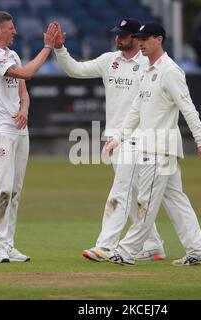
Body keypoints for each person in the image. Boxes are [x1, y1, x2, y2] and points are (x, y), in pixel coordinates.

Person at [51, 19, 167, 262]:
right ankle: (153, 244)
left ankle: (106, 245)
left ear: (136, 38)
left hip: (139, 137)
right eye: (117, 34)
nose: (118, 38)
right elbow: (76, 70)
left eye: (124, 35)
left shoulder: (150, 64)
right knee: (133, 194)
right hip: (115, 138)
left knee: (122, 190)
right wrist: (60, 49)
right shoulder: (109, 60)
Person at [102, 22, 201, 266]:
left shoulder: (170, 71)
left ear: (159, 39)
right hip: (152, 147)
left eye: (146, 39)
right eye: (139, 39)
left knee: (146, 202)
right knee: (176, 201)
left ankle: (126, 250)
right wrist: (118, 138)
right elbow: (135, 111)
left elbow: (188, 108)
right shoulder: (147, 70)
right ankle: (199, 249)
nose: (140, 43)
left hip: (159, 149)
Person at [0, 11, 57, 263]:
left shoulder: (12, 55)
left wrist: (23, 110)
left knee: (16, 192)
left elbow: (24, 92)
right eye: (10, 28)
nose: (15, 32)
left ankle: (9, 245)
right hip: (0, 130)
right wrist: (48, 47)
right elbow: (26, 74)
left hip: (20, 130)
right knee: (4, 188)